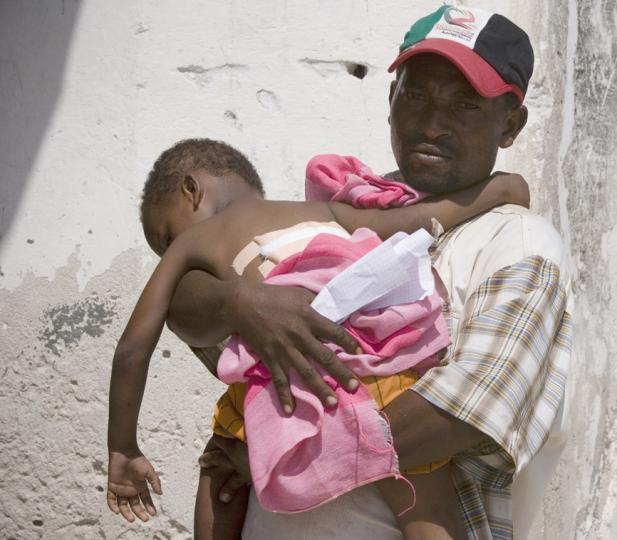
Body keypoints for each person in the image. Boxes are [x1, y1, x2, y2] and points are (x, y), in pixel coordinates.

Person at [115, 5, 572, 539]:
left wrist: (270, 450)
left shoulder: (516, 246)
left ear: (510, 124)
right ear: (390, 101)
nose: (431, 123)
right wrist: (239, 303)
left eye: (464, 105)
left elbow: (460, 415)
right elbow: (195, 318)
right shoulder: (345, 214)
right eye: (417, 95)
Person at [105, 138, 529, 539]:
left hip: (288, 383)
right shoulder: (326, 212)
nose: (169, 251)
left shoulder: (194, 241)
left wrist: (122, 448)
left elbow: (133, 347)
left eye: (165, 236)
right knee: (428, 508)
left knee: (219, 463)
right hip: (375, 363)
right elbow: (414, 222)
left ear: (191, 190)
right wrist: (498, 190)